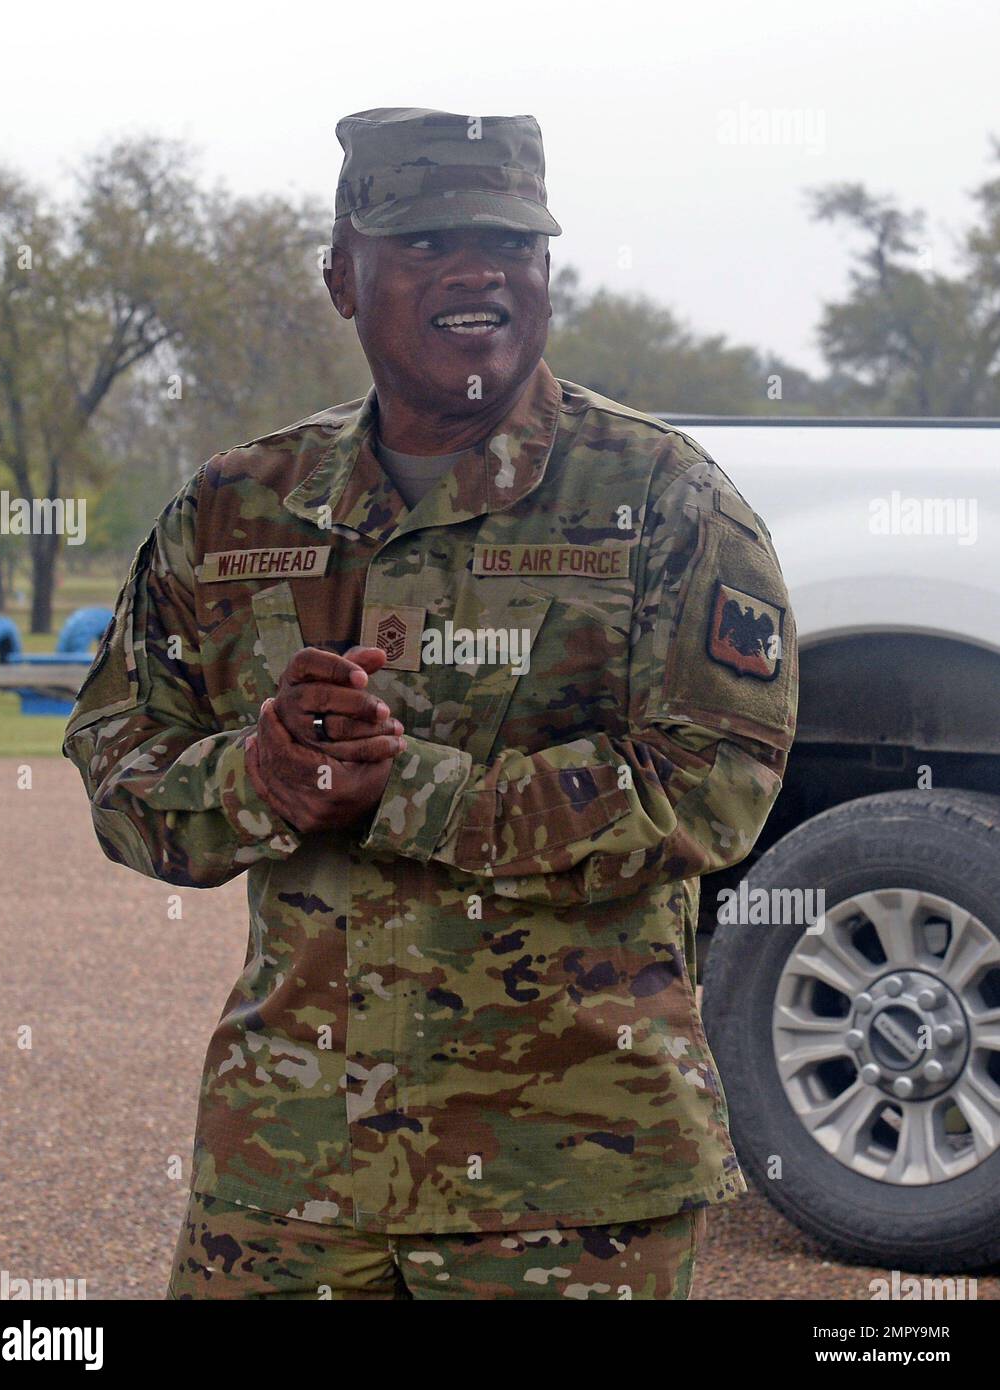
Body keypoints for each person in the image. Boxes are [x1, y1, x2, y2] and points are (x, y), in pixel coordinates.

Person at [64, 107, 798, 1300]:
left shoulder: (665, 504)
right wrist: (254, 782)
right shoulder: (236, 508)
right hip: (289, 1171)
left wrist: (413, 793)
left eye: (510, 244)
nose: (475, 271)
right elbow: (116, 755)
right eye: (423, 242)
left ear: (547, 272)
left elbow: (716, 790)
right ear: (341, 278)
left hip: (567, 1181)